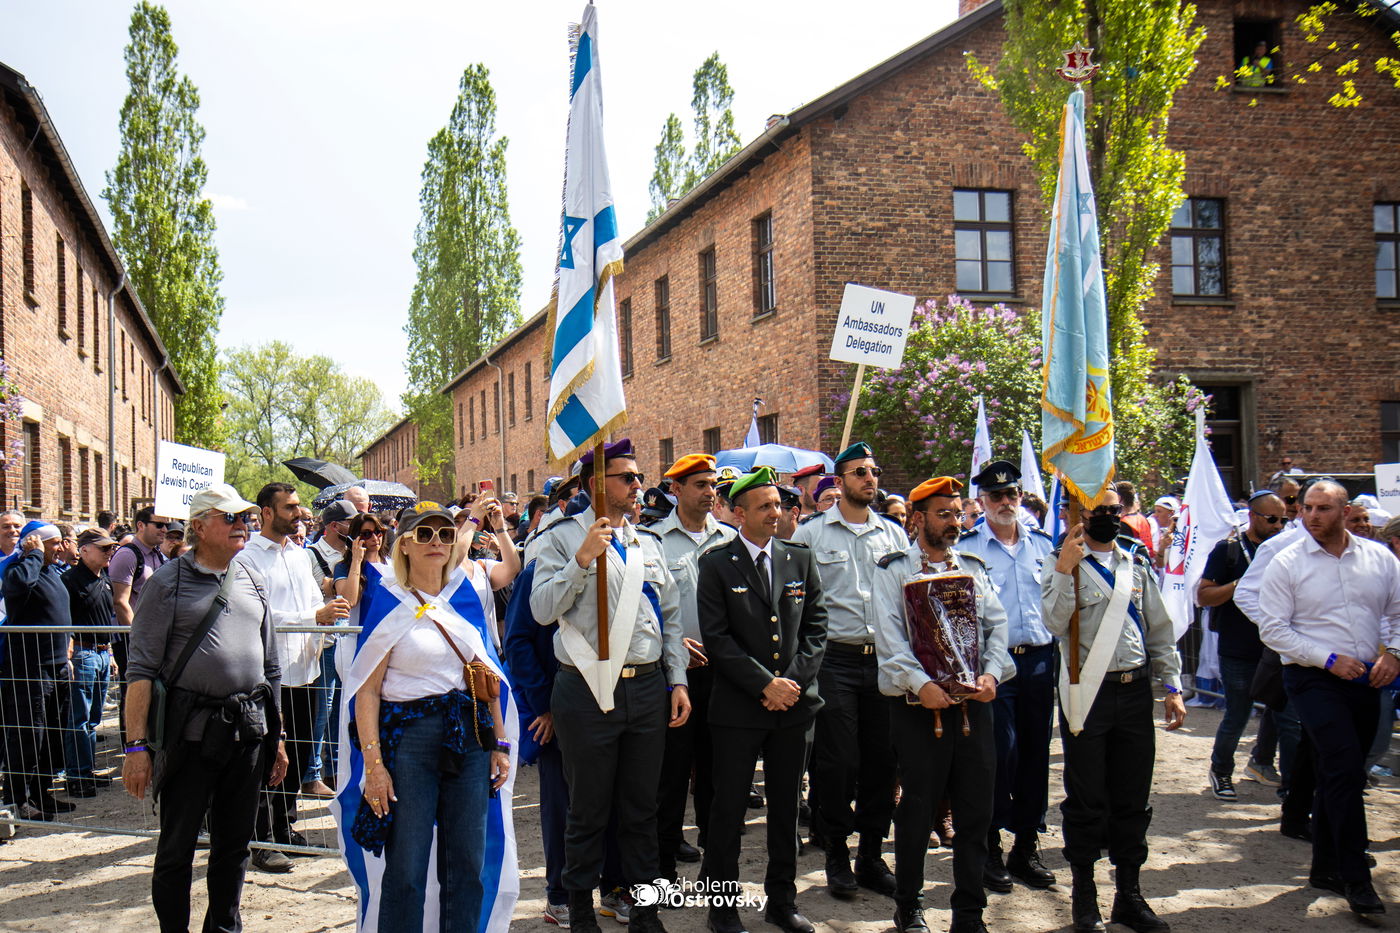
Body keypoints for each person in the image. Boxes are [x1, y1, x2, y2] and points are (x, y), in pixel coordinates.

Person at [529, 438, 691, 933]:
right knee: (589, 809)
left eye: (639, 477)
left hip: (646, 687)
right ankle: (580, 910)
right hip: (586, 687)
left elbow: (669, 617)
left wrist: (677, 677)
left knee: (642, 808)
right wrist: (581, 560)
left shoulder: (648, 542)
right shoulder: (559, 539)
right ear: (596, 483)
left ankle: (644, 911)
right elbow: (540, 612)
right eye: (628, 477)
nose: (639, 486)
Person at [341, 501, 516, 933]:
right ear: (404, 546)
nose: (436, 541)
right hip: (409, 742)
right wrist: (375, 767)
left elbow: (484, 676)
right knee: (407, 867)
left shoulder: (464, 597)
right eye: (424, 534)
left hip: (469, 739)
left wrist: (499, 744)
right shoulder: (387, 600)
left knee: (467, 865)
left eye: (443, 533)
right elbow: (367, 693)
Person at [122, 483, 287, 933]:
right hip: (190, 737)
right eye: (230, 518)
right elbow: (140, 670)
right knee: (177, 848)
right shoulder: (165, 584)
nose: (242, 525)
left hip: (248, 732)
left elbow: (271, 665)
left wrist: (279, 737)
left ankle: (224, 929)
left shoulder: (252, 577)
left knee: (234, 847)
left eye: (245, 518)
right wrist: (136, 747)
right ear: (199, 526)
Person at [1041, 486, 1185, 933]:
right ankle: (1086, 898)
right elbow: (1052, 622)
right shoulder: (1061, 562)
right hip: (1088, 692)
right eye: (1096, 511)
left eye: (1112, 510)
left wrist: (1173, 685)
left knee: (1132, 797)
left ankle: (1130, 895)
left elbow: (1158, 628)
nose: (1106, 517)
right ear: (1078, 514)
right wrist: (1066, 570)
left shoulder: (1135, 562)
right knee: (1086, 799)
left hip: (1136, 691)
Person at [1255, 480, 1400, 916]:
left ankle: (1324, 867)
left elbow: (1396, 613)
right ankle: (1356, 877)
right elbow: (1273, 629)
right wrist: (1327, 658)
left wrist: (1394, 653)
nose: (1312, 516)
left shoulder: (1379, 558)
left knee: (1338, 768)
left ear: (1345, 510)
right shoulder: (1287, 562)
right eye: (1307, 508)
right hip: (1311, 676)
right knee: (1342, 768)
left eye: (1322, 508)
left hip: (1366, 678)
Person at [873, 476, 1010, 933]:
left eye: (958, 513)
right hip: (918, 710)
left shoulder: (972, 565)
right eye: (944, 514)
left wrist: (992, 673)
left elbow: (997, 627)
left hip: (974, 708)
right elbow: (890, 642)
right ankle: (908, 906)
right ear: (917, 519)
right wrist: (920, 683)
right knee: (917, 809)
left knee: (976, 812)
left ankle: (970, 912)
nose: (955, 522)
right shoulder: (893, 570)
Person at [697, 467, 828, 933]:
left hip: (793, 708)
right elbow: (717, 637)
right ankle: (723, 908)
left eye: (779, 504)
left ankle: (782, 902)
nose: (778, 512)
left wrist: (789, 683)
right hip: (737, 710)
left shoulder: (799, 558)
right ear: (738, 514)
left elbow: (816, 629)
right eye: (766, 506)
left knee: (786, 810)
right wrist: (763, 685)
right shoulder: (715, 563)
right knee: (727, 812)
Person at [792, 441, 909, 898]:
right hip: (833, 661)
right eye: (860, 472)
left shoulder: (894, 536)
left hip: (883, 660)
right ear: (839, 482)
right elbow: (794, 603)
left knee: (883, 761)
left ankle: (871, 855)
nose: (870, 478)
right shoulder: (811, 535)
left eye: (874, 471)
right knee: (838, 761)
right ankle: (837, 854)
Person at [234, 482, 350, 872]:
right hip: (271, 674)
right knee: (269, 756)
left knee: (298, 757)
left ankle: (284, 826)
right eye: (290, 507)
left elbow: (315, 604)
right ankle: (261, 839)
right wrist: (312, 619)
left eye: (299, 507)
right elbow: (257, 617)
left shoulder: (301, 557)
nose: (299, 514)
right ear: (266, 512)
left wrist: (326, 625)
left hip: (308, 668)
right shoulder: (247, 559)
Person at [959, 460, 1058, 892]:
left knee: (1036, 755)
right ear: (981, 501)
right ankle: (991, 844)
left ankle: (1026, 845)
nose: (1004, 502)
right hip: (995, 668)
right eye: (995, 496)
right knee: (999, 755)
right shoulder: (969, 549)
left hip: (1038, 660)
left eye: (1011, 494)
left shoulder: (1043, 545)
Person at [648, 453, 735, 876]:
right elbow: (650, 608)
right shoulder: (654, 541)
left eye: (711, 484)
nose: (709, 492)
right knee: (671, 776)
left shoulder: (730, 540)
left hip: (725, 675)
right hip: (675, 675)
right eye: (699, 484)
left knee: (717, 778)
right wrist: (673, 640)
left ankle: (714, 869)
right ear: (676, 490)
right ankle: (664, 867)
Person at [1197, 491, 1288, 800]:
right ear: (1253, 516)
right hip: (1239, 648)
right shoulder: (1229, 550)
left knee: (1284, 713)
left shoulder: (1286, 549)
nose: (1279, 525)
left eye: (1284, 519)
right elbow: (1203, 596)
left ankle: (1269, 767)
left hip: (1277, 647)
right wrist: (1241, 584)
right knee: (1238, 714)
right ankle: (1221, 770)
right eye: (1272, 519)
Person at [1, 521, 75, 818]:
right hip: (30, 667)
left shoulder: (52, 571)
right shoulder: (19, 568)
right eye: (54, 543)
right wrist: (31, 556)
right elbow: (17, 589)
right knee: (29, 737)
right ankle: (17, 799)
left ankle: (42, 794)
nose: (60, 548)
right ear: (37, 543)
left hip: (57, 665)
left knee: (53, 736)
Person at [62, 528, 119, 797]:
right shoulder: (70, 580)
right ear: (84, 550)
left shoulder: (104, 578)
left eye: (111, 548)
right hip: (82, 654)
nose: (110, 552)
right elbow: (63, 621)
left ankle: (87, 770)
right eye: (104, 548)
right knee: (79, 719)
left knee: (94, 719)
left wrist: (110, 655)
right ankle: (76, 775)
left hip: (101, 653)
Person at [110, 507, 171, 745]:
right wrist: (140, 638)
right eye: (159, 524)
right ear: (141, 525)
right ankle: (134, 750)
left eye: (166, 525)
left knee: (157, 694)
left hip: (158, 638)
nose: (164, 530)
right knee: (136, 693)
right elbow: (120, 602)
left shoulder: (158, 555)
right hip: (135, 640)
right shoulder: (127, 555)